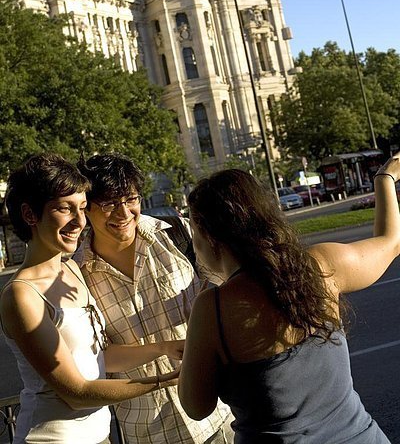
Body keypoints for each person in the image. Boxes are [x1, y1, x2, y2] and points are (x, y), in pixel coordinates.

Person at [178, 155, 400, 443]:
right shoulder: (321, 265)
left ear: (210, 237)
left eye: (194, 233)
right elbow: (391, 242)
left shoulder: (214, 308)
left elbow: (196, 406)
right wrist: (384, 178)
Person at [0, 153, 182, 444]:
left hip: (99, 435)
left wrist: (163, 348)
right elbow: (77, 393)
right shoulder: (22, 294)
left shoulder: (72, 268)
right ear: (30, 214)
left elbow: (98, 358)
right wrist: (167, 380)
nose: (79, 221)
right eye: (65, 208)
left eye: (83, 208)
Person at [76, 153, 233, 444]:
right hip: (148, 430)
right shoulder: (77, 274)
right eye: (109, 203)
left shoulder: (180, 235)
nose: (123, 214)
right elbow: (98, 357)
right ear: (86, 208)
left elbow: (229, 294)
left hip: (219, 417)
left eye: (130, 199)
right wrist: (160, 348)